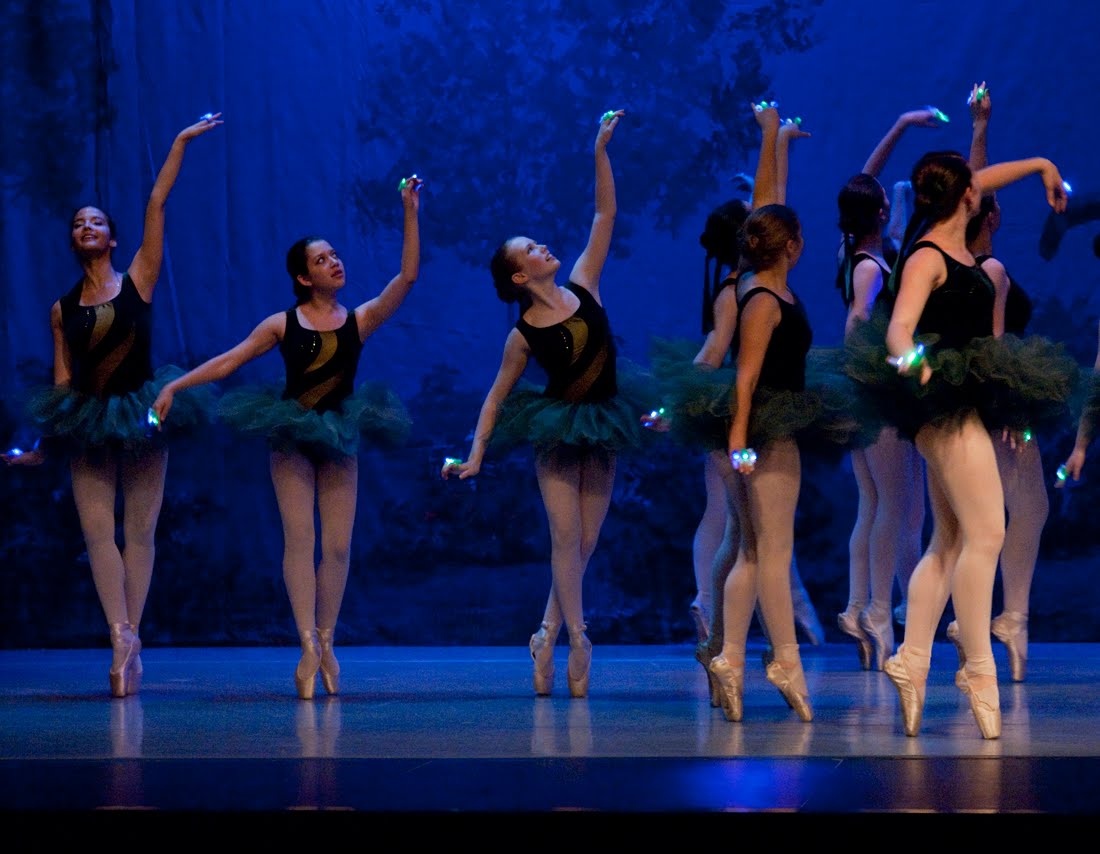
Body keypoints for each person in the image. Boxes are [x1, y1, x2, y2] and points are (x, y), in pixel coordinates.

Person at [151, 175, 423, 699]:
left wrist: (409, 210)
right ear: (303, 276)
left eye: (335, 255)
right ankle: (306, 645)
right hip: (292, 436)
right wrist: (175, 385)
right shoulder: (281, 323)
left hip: (339, 434)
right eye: (322, 259)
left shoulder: (359, 320)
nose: (334, 262)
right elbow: (230, 360)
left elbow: (407, 277)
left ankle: (328, 640)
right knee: (300, 539)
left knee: (337, 546)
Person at [851, 148, 1072, 739]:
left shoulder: (955, 242)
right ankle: (978, 668)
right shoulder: (927, 254)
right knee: (989, 532)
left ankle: (911, 660)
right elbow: (898, 330)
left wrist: (1042, 167)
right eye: (973, 184)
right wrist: (919, 367)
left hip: (965, 403)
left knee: (949, 541)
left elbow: (986, 175)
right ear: (966, 196)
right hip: (941, 407)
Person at [2, 113, 223, 697]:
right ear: (73, 240)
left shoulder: (139, 278)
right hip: (88, 420)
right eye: (79, 223)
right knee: (98, 533)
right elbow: (62, 383)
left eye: (97, 221)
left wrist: (179, 141)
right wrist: (41, 445)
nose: (87, 227)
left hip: (142, 412)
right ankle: (120, 636)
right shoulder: (61, 309)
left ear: (113, 238)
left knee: (139, 533)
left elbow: (156, 201)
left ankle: (134, 634)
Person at [441, 111, 645, 699]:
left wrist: (599, 150)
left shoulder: (584, 283)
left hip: (603, 423)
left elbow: (604, 215)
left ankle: (545, 632)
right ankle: (579, 638)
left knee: (586, 543)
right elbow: (495, 397)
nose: (543, 246)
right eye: (531, 248)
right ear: (518, 275)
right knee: (565, 538)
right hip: (557, 430)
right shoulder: (523, 334)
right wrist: (475, 456)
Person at [944, 84, 1047, 683]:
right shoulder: (992, 269)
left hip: (972, 401)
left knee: (986, 518)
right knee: (1019, 509)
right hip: (995, 403)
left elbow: (974, 183)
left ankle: (997, 620)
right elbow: (996, 346)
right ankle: (1005, 620)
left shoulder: (966, 264)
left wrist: (979, 128)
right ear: (990, 216)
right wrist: (1010, 406)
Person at [834, 108, 940, 671]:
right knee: (898, 508)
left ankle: (864, 606)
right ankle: (881, 609)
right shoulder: (870, 267)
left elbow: (863, 179)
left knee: (876, 504)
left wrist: (900, 125)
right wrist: (867, 376)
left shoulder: (851, 249)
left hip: (866, 394)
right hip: (876, 393)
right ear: (878, 211)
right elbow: (858, 321)